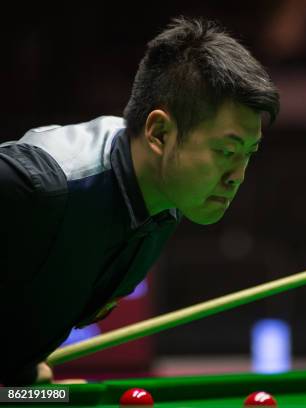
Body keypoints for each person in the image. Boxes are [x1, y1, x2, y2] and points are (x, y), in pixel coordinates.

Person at [0, 17, 279, 385]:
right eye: (226, 150)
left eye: (248, 153)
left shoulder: (165, 196)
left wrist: (25, 378)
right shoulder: (35, 186)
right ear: (160, 133)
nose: (237, 175)